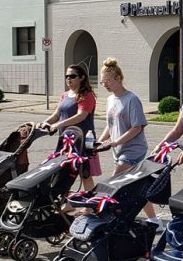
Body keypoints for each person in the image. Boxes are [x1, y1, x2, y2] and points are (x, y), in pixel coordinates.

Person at [96, 58, 157, 226]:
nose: (105, 85)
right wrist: (99, 142)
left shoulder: (132, 99)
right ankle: (154, 219)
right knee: (136, 186)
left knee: (114, 182)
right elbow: (111, 125)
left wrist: (115, 142)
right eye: (102, 82)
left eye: (107, 81)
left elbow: (137, 127)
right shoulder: (110, 100)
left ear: (118, 78)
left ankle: (103, 215)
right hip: (119, 149)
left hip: (133, 150)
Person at [39, 63, 101, 191]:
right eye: (66, 76)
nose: (69, 79)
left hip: (82, 140)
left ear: (82, 78)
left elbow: (81, 116)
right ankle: (67, 203)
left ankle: (88, 205)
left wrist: (58, 125)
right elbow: (57, 114)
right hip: (66, 141)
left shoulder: (87, 96)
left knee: (85, 174)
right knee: (65, 173)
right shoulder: (65, 95)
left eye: (72, 76)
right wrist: (45, 122)